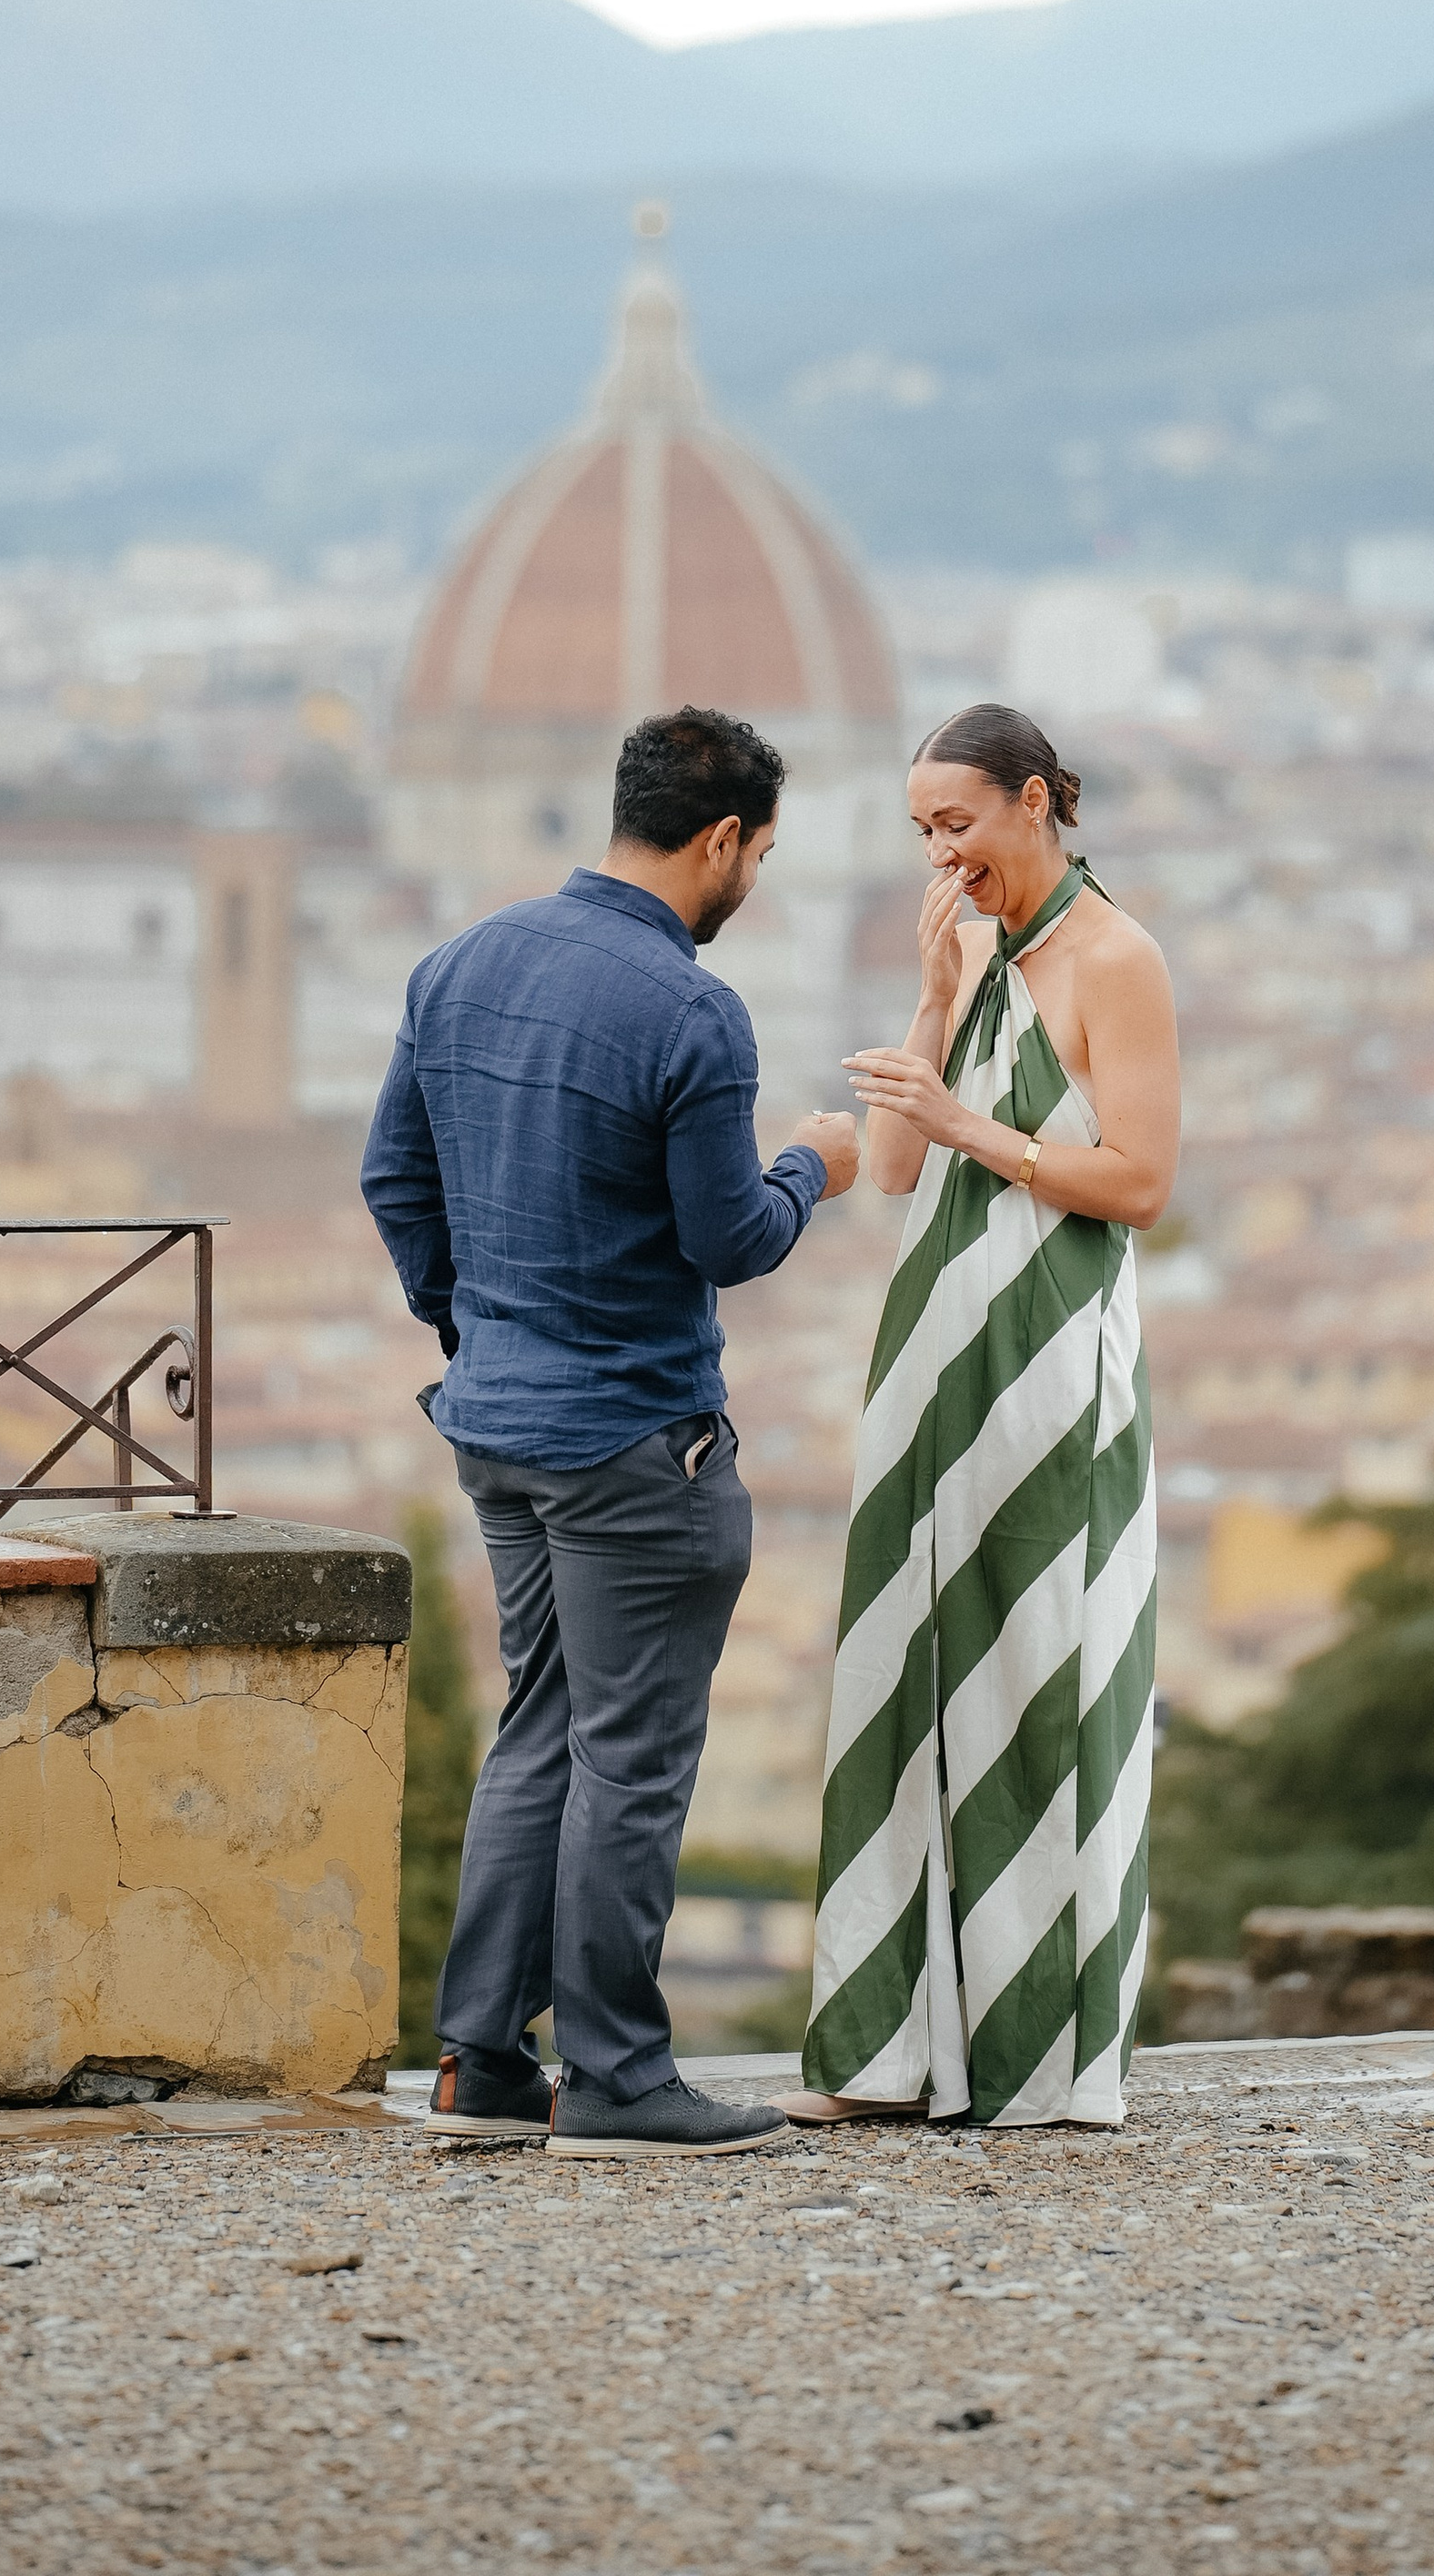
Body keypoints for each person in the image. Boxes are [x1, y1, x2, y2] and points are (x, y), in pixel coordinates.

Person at [362, 703, 860, 2160]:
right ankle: (621, 2075)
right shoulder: (692, 1010)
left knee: (537, 1734)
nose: (754, 879)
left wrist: (472, 1327)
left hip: (499, 1426)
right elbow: (727, 1237)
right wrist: (812, 1167)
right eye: (759, 854)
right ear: (722, 839)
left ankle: (479, 2063)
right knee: (630, 1755)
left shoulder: (460, 963)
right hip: (637, 1440)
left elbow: (396, 1176)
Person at [797, 702, 1180, 2129]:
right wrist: (927, 1003)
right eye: (920, 833)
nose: (940, 855)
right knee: (907, 1668)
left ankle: (1033, 2054)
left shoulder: (1117, 960)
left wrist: (977, 1126)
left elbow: (1138, 1182)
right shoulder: (970, 951)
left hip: (1052, 1352)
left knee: (1034, 1669)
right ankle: (891, 2048)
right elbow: (894, 1170)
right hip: (931, 1347)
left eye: (956, 824)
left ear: (1034, 802)